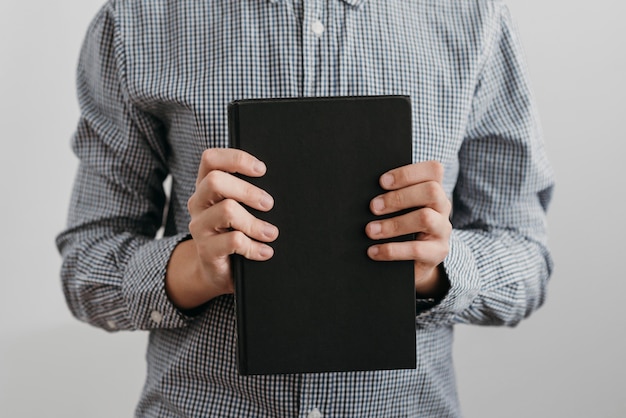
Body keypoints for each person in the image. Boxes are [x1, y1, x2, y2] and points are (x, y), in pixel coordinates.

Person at [56, 0, 554, 416]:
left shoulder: (471, 15)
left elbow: (527, 260)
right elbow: (86, 264)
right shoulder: (140, 18)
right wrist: (193, 270)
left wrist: (437, 269)